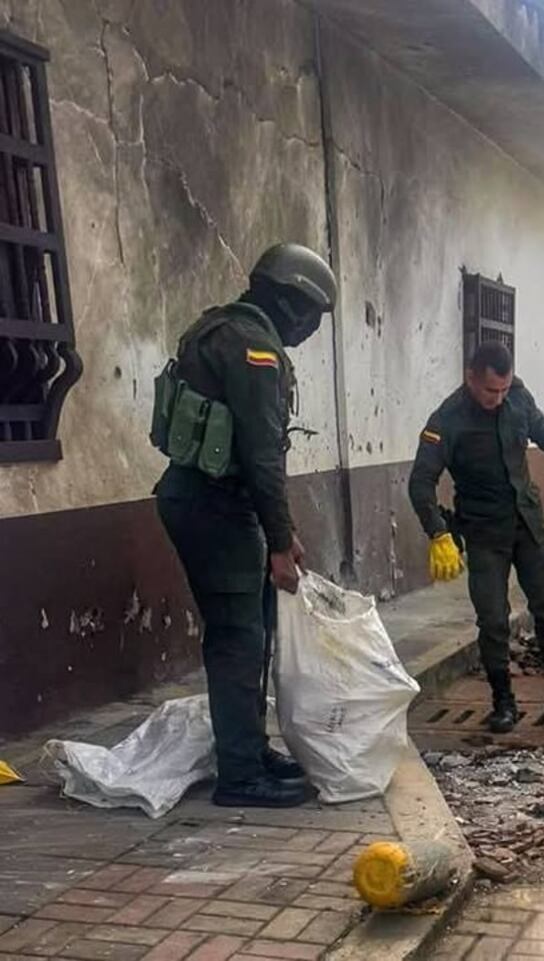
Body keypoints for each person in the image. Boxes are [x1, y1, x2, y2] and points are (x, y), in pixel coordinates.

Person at [153, 243, 336, 808]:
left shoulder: (216, 329)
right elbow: (261, 456)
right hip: (216, 507)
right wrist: (280, 543)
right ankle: (240, 775)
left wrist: (279, 534)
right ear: (292, 302)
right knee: (237, 639)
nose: (308, 331)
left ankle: (251, 751)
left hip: (209, 501)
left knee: (251, 632)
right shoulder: (256, 348)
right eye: (311, 317)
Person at [408, 342, 544, 735]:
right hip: (483, 531)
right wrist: (438, 532)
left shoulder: (518, 395)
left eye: (503, 389)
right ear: (470, 378)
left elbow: (541, 429)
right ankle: (503, 703)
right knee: (493, 619)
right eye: (489, 391)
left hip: (527, 522)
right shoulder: (447, 419)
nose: (497, 399)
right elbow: (420, 482)